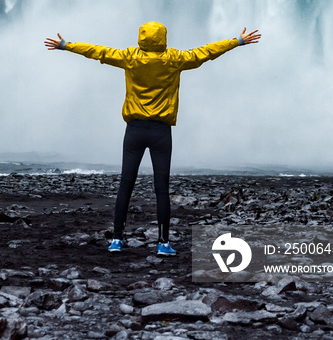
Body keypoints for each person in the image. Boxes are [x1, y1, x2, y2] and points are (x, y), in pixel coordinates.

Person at [44, 22, 261, 256]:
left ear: (141, 38)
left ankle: (117, 240)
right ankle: (163, 243)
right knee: (161, 190)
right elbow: (206, 52)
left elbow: (99, 51)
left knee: (125, 186)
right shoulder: (175, 59)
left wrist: (66, 45)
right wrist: (237, 41)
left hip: (134, 130)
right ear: (164, 38)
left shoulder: (129, 57)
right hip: (161, 132)